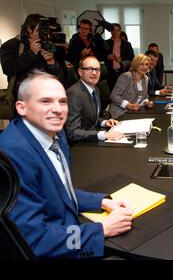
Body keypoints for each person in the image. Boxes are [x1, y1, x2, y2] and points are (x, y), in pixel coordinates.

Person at [0, 71, 133, 258]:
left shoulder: (55, 133)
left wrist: (102, 201)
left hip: (66, 232)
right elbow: (35, 242)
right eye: (45, 101)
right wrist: (102, 229)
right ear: (21, 107)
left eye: (62, 101)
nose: (58, 109)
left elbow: (57, 191)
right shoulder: (14, 154)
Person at [0, 13, 62, 104]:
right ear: (29, 29)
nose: (44, 33)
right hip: (22, 99)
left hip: (45, 96)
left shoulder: (46, 45)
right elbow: (8, 69)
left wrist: (51, 62)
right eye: (40, 30)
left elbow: (58, 76)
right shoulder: (12, 45)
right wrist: (31, 53)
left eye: (46, 30)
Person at [66, 56, 124, 143]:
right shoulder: (74, 93)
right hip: (80, 145)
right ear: (80, 72)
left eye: (97, 69)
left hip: (93, 139)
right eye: (90, 69)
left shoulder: (95, 89)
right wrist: (103, 135)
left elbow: (89, 118)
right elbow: (73, 132)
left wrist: (104, 122)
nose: (94, 73)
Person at [109, 54, 154, 119]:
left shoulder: (146, 78)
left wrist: (146, 102)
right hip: (120, 113)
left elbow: (145, 96)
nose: (145, 67)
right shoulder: (126, 76)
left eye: (146, 64)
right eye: (141, 64)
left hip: (134, 113)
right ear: (135, 65)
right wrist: (128, 105)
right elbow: (114, 96)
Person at [105, 23, 134, 91]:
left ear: (120, 32)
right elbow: (100, 55)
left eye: (116, 30)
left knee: (123, 92)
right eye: (113, 30)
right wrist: (107, 56)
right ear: (110, 31)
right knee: (111, 92)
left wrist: (122, 58)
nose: (114, 32)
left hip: (123, 71)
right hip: (110, 72)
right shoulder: (105, 43)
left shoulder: (127, 44)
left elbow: (132, 57)